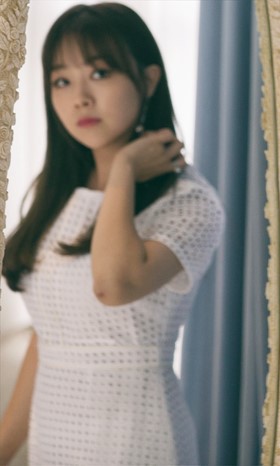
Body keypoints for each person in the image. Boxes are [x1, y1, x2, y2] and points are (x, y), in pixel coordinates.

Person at [0, 3, 224, 464]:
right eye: (62, 80)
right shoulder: (56, 195)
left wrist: (123, 170)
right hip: (53, 438)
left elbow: (114, 285)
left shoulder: (189, 201)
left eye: (99, 73)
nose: (79, 98)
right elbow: (48, 339)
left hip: (135, 438)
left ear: (148, 80)